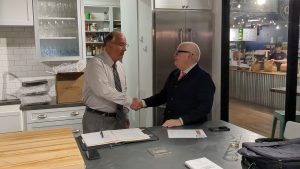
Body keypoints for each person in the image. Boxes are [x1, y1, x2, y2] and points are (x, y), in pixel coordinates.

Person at [132, 42, 215, 128]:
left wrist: (180, 121)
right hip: (169, 126)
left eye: (178, 53)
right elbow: (163, 96)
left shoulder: (203, 78)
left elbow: (204, 107)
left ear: (190, 55)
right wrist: (143, 103)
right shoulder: (174, 74)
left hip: (191, 129)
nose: (174, 55)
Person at [82, 32, 137, 134]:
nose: (125, 49)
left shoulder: (120, 66)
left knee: (120, 149)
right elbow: (103, 90)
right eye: (121, 45)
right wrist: (130, 101)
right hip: (98, 120)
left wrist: (124, 115)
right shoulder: (95, 63)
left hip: (119, 119)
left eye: (125, 45)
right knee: (97, 150)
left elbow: (122, 92)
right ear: (108, 45)